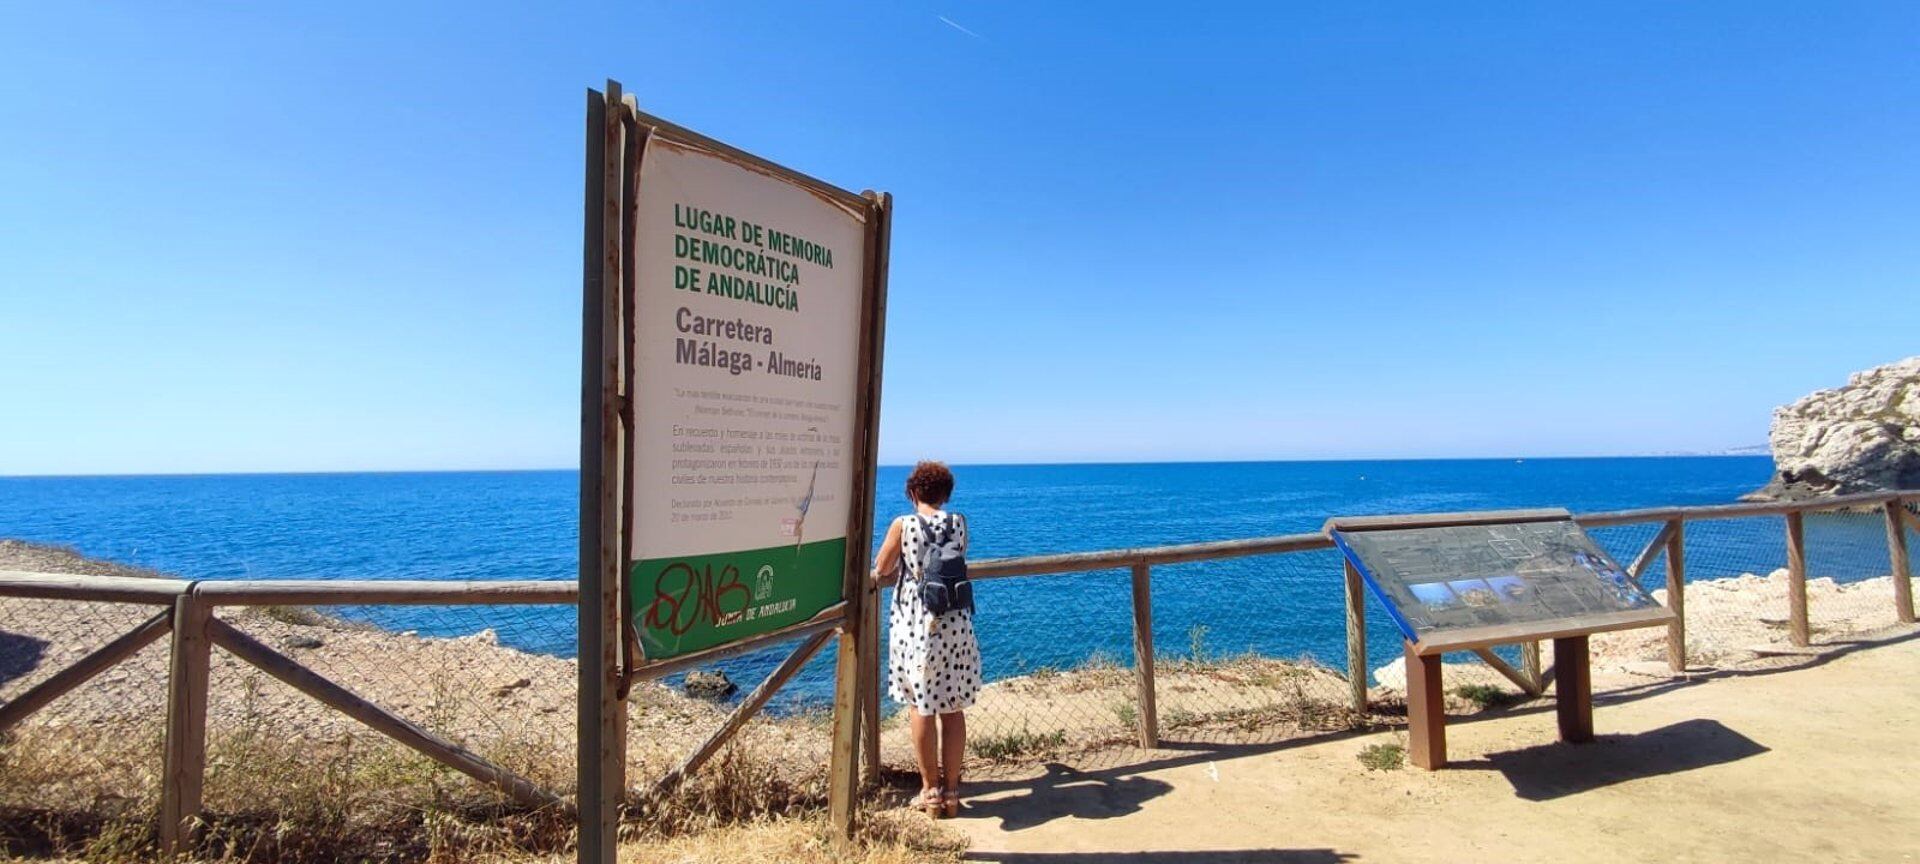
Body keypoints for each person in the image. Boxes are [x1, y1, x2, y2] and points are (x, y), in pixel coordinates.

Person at [872, 460, 980, 818]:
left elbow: (883, 567)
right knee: (952, 709)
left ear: (914, 491)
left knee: (921, 706)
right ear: (945, 492)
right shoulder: (959, 522)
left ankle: (930, 792)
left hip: (918, 627)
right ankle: (951, 792)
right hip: (955, 624)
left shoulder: (903, 525)